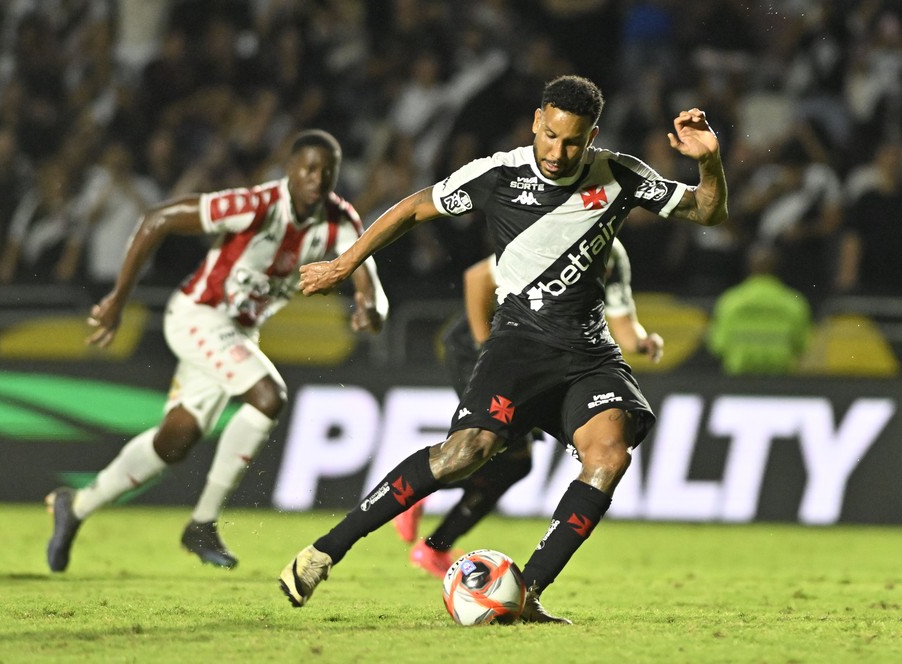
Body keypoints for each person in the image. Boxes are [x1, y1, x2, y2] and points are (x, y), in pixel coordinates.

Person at [282, 75, 727, 623]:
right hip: (518, 344)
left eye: (574, 142)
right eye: (551, 137)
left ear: (592, 138)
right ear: (537, 123)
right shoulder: (498, 173)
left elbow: (706, 212)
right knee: (463, 455)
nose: (559, 152)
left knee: (610, 457)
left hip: (589, 353)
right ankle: (325, 549)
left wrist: (708, 162)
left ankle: (525, 595)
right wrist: (345, 263)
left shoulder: (620, 174)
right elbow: (415, 208)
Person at [45, 129, 387, 572]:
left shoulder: (340, 221)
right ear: (289, 168)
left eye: (327, 171)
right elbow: (158, 218)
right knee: (269, 396)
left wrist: (370, 311)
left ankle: (75, 506)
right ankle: (202, 523)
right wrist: (118, 299)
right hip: (199, 315)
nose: (317, 179)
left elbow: (370, 285)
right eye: (308, 168)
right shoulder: (256, 206)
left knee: (176, 440)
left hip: (238, 334)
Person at [394, 239, 665, 579]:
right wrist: (487, 351)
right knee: (504, 452)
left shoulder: (614, 254)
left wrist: (642, 342)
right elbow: (477, 278)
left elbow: (623, 322)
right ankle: (426, 502)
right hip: (481, 348)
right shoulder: (563, 231)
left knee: (515, 464)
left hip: (531, 358)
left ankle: (433, 542)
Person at [706, 243, 812, 375]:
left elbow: (718, 345)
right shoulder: (794, 303)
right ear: (778, 267)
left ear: (749, 266)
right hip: (781, 381)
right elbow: (802, 345)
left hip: (738, 380)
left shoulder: (731, 301)